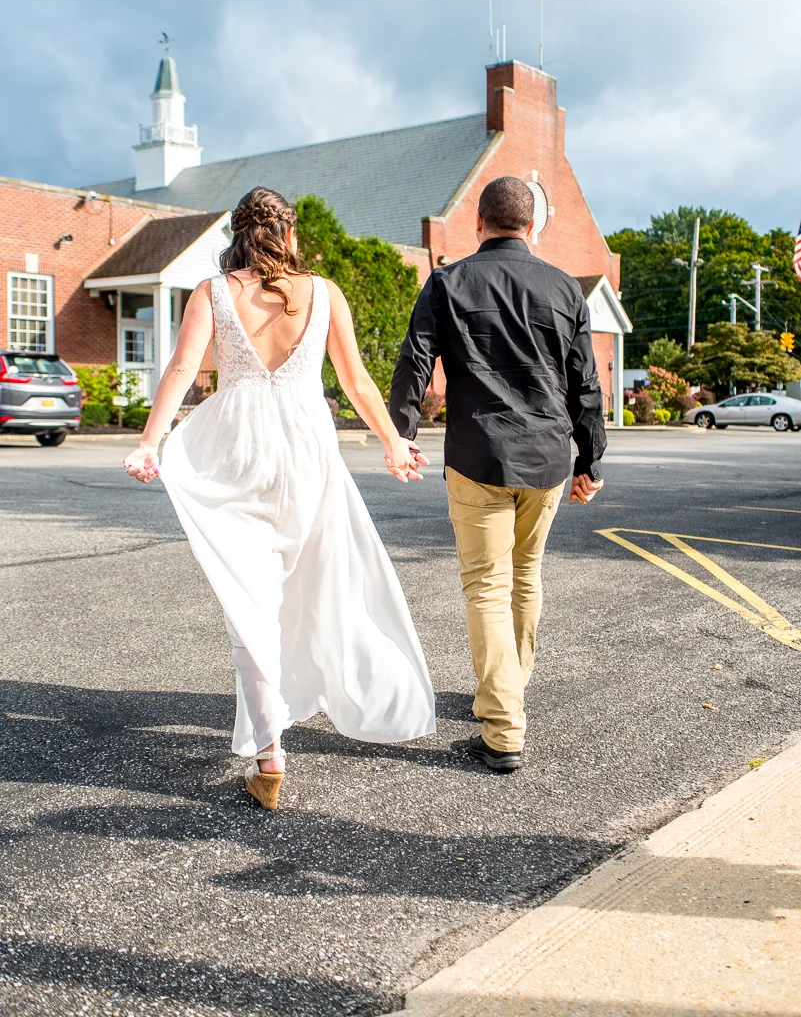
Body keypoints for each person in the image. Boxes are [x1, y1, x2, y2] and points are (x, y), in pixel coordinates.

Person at [123, 188, 435, 810]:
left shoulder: (212, 292)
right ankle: (334, 700)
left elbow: (182, 370)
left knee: (251, 602)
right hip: (305, 453)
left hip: (235, 450)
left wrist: (151, 442)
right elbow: (357, 381)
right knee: (319, 586)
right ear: (289, 234)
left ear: (236, 235)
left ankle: (270, 757)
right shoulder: (323, 293)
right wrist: (395, 442)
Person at [389, 176, 606, 774]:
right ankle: (508, 686)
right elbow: (585, 384)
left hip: (478, 456)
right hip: (546, 458)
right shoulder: (565, 288)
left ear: (479, 223)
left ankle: (504, 727)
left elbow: (415, 357)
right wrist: (591, 460)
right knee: (525, 575)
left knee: (486, 586)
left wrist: (400, 434)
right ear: (533, 226)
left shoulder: (449, 281)